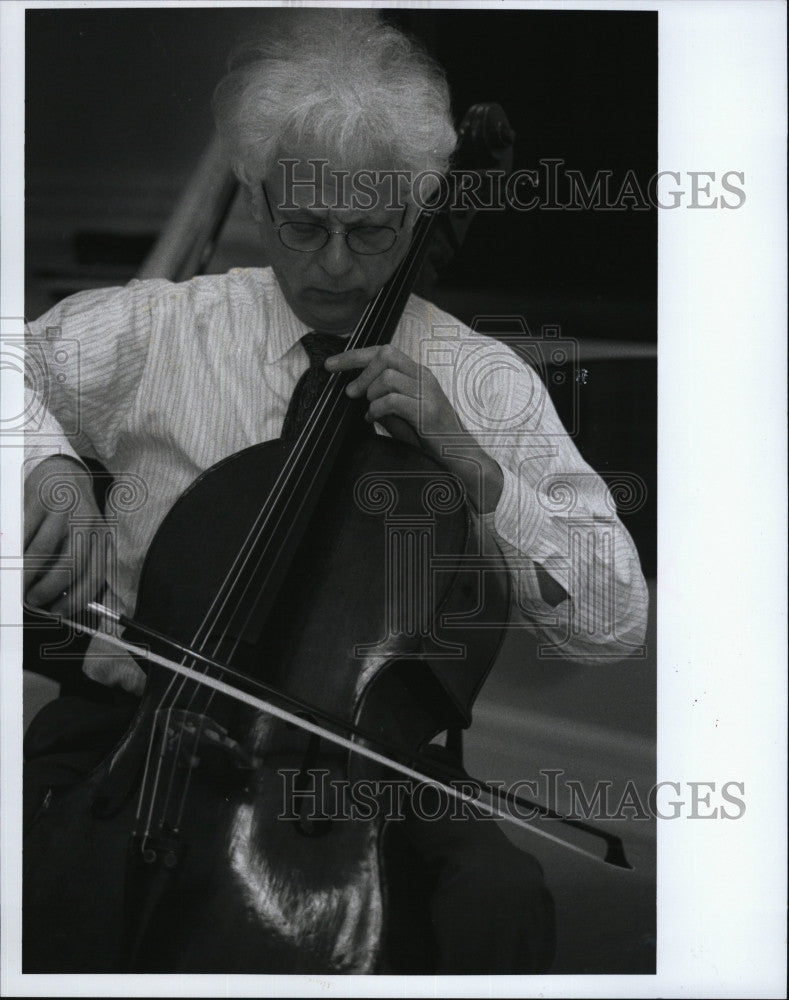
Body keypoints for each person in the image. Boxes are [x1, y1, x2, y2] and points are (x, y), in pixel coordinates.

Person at [23, 10, 648, 974]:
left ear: (419, 206)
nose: (334, 265)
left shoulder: (482, 381)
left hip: (361, 770)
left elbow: (609, 620)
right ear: (257, 195)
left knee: (498, 905)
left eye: (370, 229)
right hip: (133, 732)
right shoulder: (166, 327)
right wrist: (50, 470)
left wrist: (474, 466)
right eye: (304, 224)